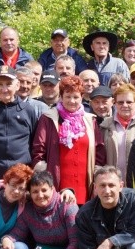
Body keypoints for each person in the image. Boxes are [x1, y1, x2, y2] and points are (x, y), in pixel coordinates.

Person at [1, 171, 83, 249]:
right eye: (35, 191)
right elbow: (17, 233)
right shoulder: (28, 210)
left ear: (52, 189)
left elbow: (76, 242)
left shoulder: (66, 205)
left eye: (44, 190)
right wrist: (7, 239)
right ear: (30, 193)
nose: (40, 195)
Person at [31, 76, 106, 204]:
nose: (72, 101)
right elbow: (38, 150)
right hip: (56, 185)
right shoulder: (48, 118)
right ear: (61, 97)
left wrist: (97, 180)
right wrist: (46, 179)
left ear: (82, 98)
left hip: (84, 187)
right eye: (68, 96)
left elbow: (99, 152)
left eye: (76, 97)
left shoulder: (90, 120)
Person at [100, 84, 135, 176]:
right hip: (112, 179)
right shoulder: (104, 126)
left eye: (129, 102)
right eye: (120, 102)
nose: (125, 105)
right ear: (115, 104)